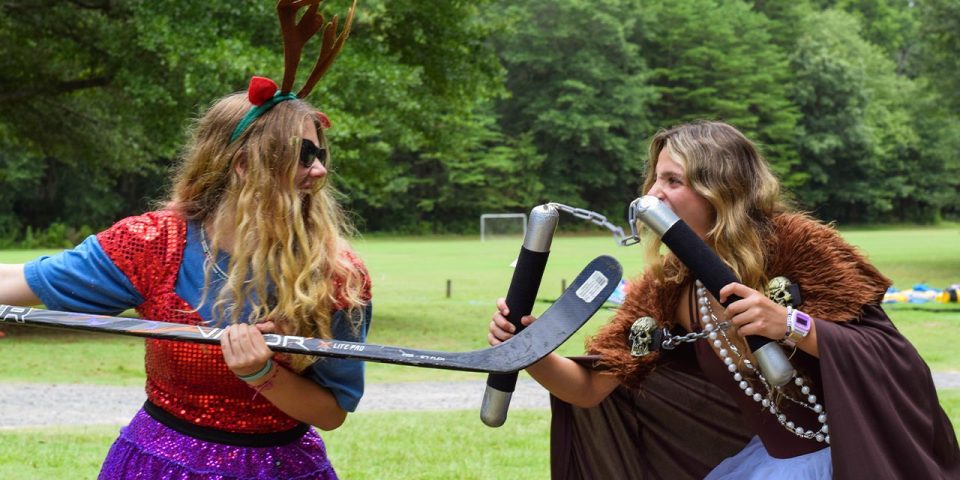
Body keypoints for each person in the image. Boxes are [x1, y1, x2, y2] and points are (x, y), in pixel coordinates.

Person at [0, 1, 370, 478]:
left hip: (281, 467)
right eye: (302, 155)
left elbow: (331, 413)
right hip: (158, 463)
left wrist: (263, 375)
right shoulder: (153, 243)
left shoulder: (337, 274)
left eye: (320, 153)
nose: (319, 169)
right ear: (242, 166)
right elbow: (18, 280)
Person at [489, 121, 959, 479]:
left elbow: (896, 361)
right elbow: (590, 389)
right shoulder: (669, 284)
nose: (653, 193)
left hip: (859, 459)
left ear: (722, 189)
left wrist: (789, 324)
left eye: (673, 180)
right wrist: (529, 350)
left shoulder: (798, 246)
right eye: (654, 179)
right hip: (769, 465)